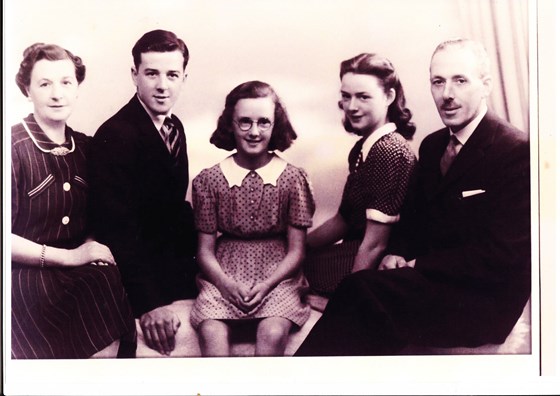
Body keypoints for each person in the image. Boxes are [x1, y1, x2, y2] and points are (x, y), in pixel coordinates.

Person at [295, 38, 531, 356]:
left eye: (460, 80)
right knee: (361, 296)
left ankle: (296, 381)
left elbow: (501, 255)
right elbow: (416, 220)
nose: (447, 94)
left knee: (360, 291)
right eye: (438, 82)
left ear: (485, 84)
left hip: (483, 302)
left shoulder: (516, 150)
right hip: (435, 283)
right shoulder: (433, 146)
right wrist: (398, 252)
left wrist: (418, 262)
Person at [11, 43, 136, 359]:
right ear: (27, 90)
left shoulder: (86, 148)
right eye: (45, 84)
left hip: (76, 273)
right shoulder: (11, 147)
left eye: (66, 82)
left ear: (77, 87)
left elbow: (97, 216)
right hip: (20, 277)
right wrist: (70, 258)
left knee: (104, 276)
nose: (57, 94)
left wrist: (90, 250)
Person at [88, 30, 198, 356]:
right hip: (132, 278)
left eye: (172, 74)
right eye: (152, 73)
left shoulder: (174, 127)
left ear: (184, 78)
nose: (162, 85)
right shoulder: (115, 135)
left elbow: (175, 211)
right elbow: (117, 229)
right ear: (134, 75)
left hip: (172, 268)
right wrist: (149, 304)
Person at [189, 81, 315, 356]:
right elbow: (204, 251)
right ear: (230, 125)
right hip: (224, 272)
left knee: (271, 332)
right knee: (212, 332)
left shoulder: (293, 179)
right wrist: (225, 284)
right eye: (244, 122)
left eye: (264, 122)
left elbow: (296, 251)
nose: (254, 132)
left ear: (275, 125)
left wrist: (268, 284)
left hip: (278, 274)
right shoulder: (209, 180)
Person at [303, 53, 417, 294]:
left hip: (381, 261)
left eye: (363, 97)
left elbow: (376, 244)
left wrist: (350, 299)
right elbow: (344, 220)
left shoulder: (389, 151)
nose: (352, 107)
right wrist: (298, 247)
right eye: (346, 96)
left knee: (291, 276)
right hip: (358, 248)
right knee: (285, 264)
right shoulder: (363, 149)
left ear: (389, 96)